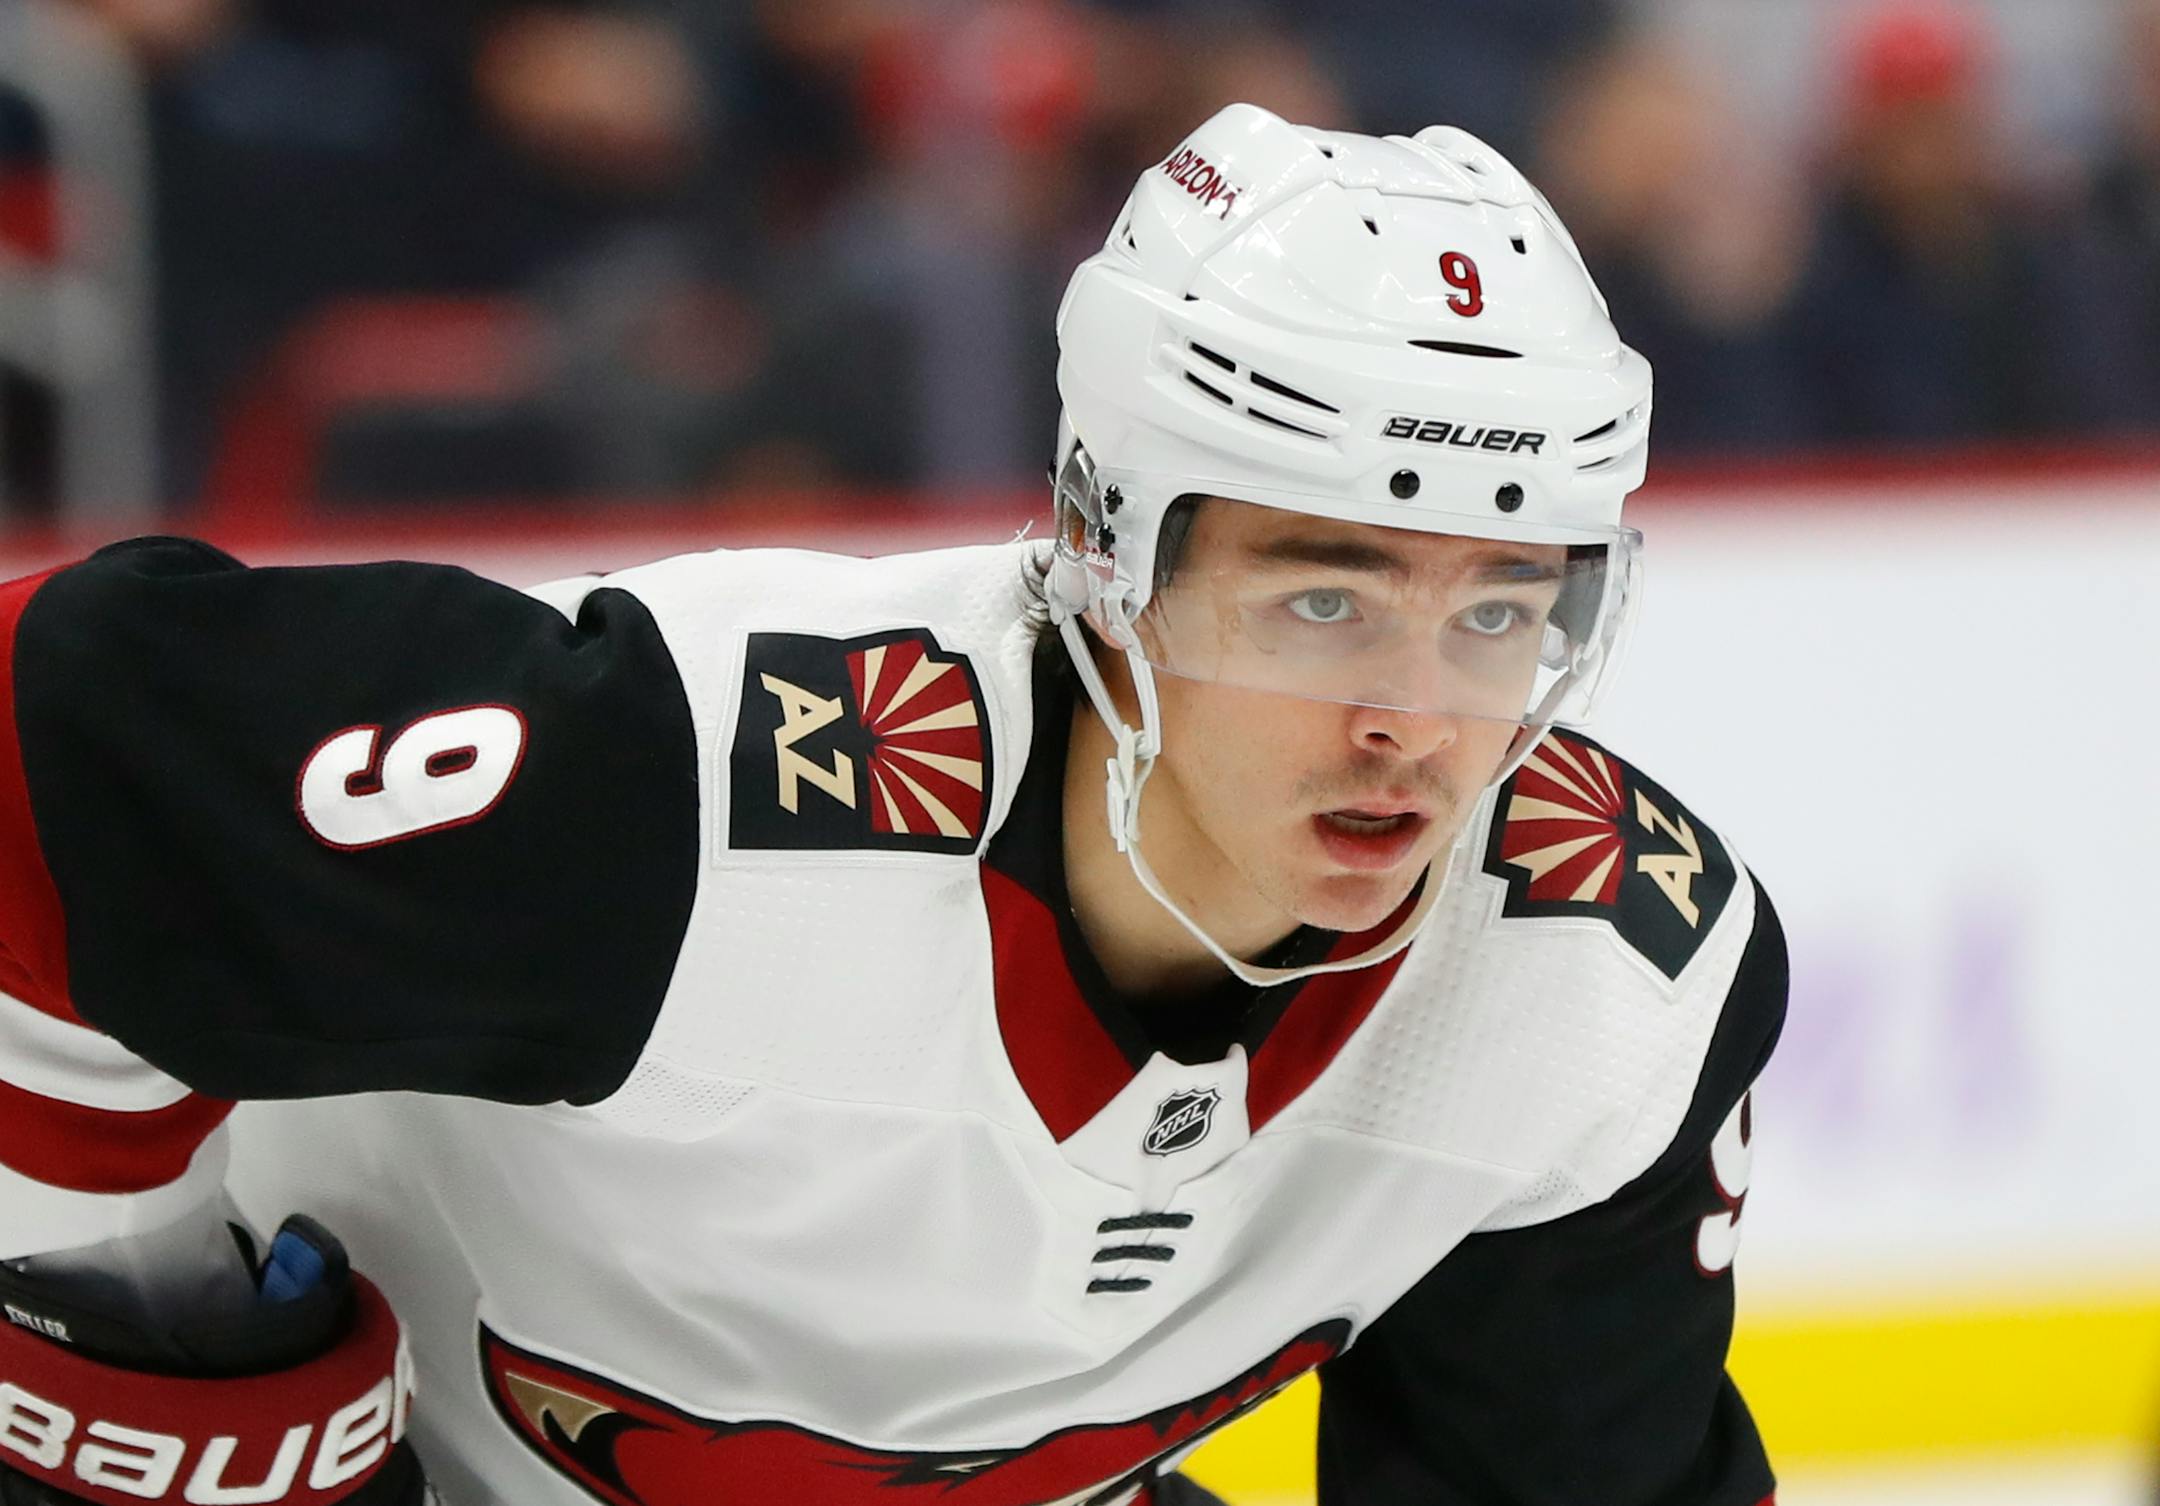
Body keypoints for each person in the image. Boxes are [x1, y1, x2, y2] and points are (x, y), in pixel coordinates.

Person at [0, 104, 1784, 1506]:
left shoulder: (1606, 982)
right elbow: (38, 739)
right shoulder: (693, 796)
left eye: (1496, 612)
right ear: (1109, 554)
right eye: (1323, 598)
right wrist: (153, 1352)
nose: (1414, 718)